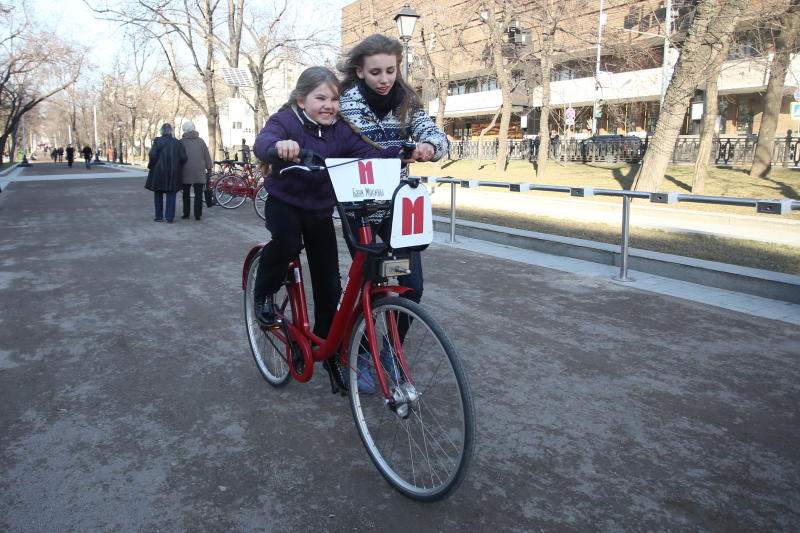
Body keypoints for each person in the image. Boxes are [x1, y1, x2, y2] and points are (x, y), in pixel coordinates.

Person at [251, 66, 411, 392]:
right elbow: (263, 142)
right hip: (285, 203)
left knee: (329, 281)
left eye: (334, 99)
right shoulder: (286, 122)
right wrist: (280, 147)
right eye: (320, 98)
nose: (329, 105)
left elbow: (371, 155)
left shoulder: (341, 131)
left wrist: (405, 152)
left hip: (320, 211)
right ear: (301, 99)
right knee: (286, 243)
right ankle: (263, 294)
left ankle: (329, 348)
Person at [338, 34, 448, 307]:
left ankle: (389, 348)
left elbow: (437, 135)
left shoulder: (406, 102)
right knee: (368, 284)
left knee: (412, 286)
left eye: (390, 71)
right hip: (358, 208)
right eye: (375, 72)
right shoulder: (342, 102)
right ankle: (363, 347)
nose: (384, 79)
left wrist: (430, 146)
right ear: (360, 71)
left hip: (397, 207)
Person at [145, 123, 187, 223]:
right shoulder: (177, 142)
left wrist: (151, 165)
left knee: (158, 194)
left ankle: (159, 216)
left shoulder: (157, 141)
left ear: (161, 131)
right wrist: (178, 165)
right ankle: (169, 217)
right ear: (171, 131)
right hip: (173, 172)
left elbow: (152, 155)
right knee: (171, 195)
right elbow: (184, 157)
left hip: (158, 172)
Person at [179, 121, 212, 221]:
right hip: (199, 171)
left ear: (184, 130)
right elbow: (207, 156)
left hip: (186, 170)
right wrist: (209, 169)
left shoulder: (181, 142)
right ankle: (198, 215)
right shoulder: (201, 141)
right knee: (198, 194)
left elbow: (179, 157)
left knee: (186, 193)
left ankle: (186, 213)